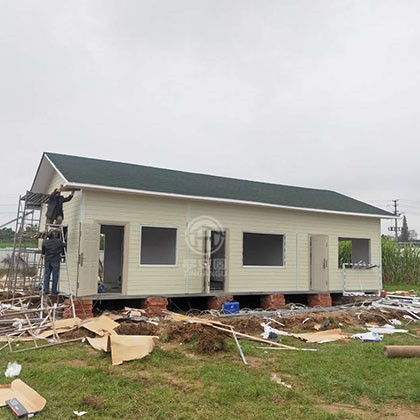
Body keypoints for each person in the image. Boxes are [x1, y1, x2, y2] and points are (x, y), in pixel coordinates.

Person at [42, 230, 65, 295]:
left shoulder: (45, 242)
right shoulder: (59, 241)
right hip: (55, 260)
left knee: (47, 275)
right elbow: (63, 246)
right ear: (54, 235)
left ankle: (46, 290)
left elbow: (43, 252)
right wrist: (62, 254)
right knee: (55, 276)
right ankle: (53, 291)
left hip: (47, 260)